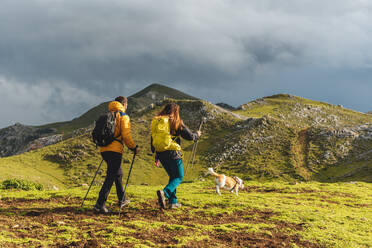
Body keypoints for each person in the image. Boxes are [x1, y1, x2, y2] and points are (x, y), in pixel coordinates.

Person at [151, 103, 201, 209]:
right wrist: (197, 134)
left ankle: (173, 202)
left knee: (173, 177)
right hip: (173, 153)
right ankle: (165, 193)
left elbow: (153, 139)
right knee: (178, 177)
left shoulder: (158, 121)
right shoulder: (176, 122)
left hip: (161, 153)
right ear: (175, 112)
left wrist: (156, 155)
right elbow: (190, 136)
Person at [94, 96, 138, 214]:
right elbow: (126, 135)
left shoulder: (108, 115)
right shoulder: (123, 116)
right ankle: (100, 204)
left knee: (118, 173)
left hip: (104, 149)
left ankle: (122, 199)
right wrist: (133, 147)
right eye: (126, 105)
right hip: (115, 150)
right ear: (124, 104)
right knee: (111, 176)